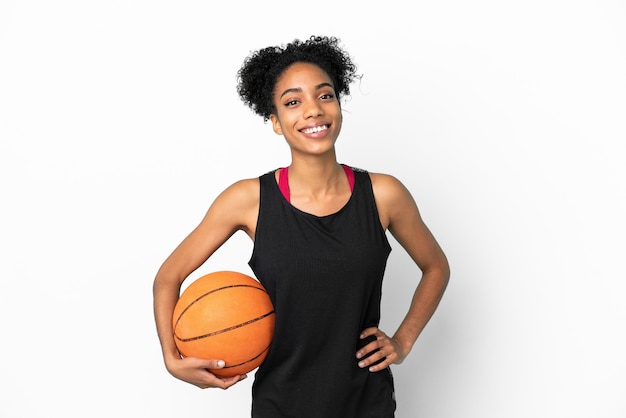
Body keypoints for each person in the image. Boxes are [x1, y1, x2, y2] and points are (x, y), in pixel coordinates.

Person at [153, 35, 450, 417]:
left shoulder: (383, 194)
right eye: (293, 102)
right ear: (276, 122)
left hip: (365, 402)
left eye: (324, 96)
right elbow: (168, 277)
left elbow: (436, 266)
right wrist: (171, 358)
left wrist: (404, 340)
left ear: (338, 105)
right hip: (280, 404)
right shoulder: (248, 200)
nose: (312, 110)